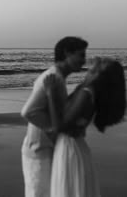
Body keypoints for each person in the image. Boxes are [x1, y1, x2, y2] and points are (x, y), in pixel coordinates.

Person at [46, 57, 127, 197]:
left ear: (100, 73)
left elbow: (59, 126)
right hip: (76, 147)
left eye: (102, 63)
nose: (100, 60)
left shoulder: (86, 93)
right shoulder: (87, 90)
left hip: (69, 148)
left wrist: (50, 94)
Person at [21, 36, 88, 197]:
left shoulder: (57, 77)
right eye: (81, 55)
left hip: (46, 147)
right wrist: (52, 129)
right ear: (67, 53)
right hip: (38, 149)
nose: (83, 61)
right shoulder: (54, 78)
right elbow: (28, 112)